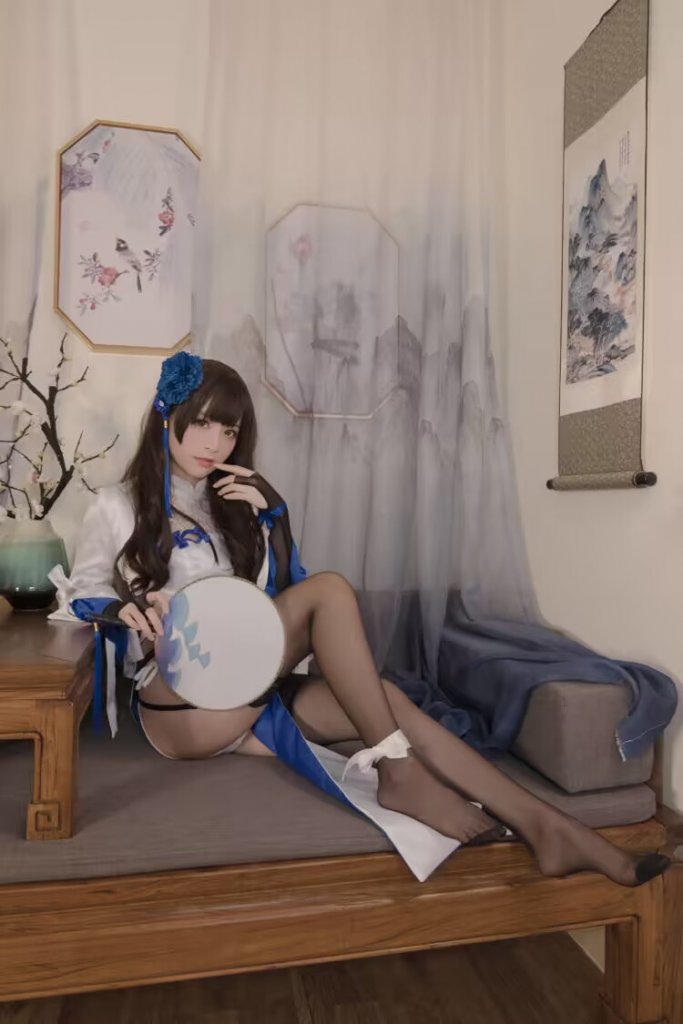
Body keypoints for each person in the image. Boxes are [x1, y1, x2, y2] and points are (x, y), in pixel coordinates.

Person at [62, 352, 669, 887]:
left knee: (386, 701)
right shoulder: (116, 505)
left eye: (230, 430)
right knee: (330, 591)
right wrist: (124, 607)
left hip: (246, 686)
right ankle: (400, 774)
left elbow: (278, 602)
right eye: (201, 423)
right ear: (166, 415)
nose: (214, 443)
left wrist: (276, 520)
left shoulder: (236, 504)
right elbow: (81, 592)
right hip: (181, 704)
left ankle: (549, 829)